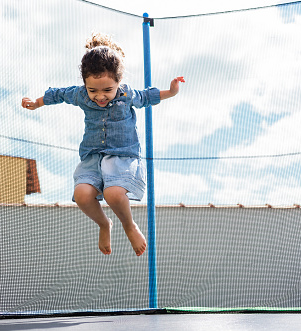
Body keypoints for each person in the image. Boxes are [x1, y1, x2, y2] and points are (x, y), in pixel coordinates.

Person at [22, 33, 184, 256]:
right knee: (82, 195)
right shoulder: (80, 95)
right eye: (93, 90)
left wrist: (172, 91)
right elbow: (57, 95)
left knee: (114, 194)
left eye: (107, 90)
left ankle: (130, 226)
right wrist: (36, 103)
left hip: (121, 156)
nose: (100, 97)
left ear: (119, 82)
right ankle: (104, 224)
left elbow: (147, 97)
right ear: (85, 85)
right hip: (92, 157)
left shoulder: (126, 94)